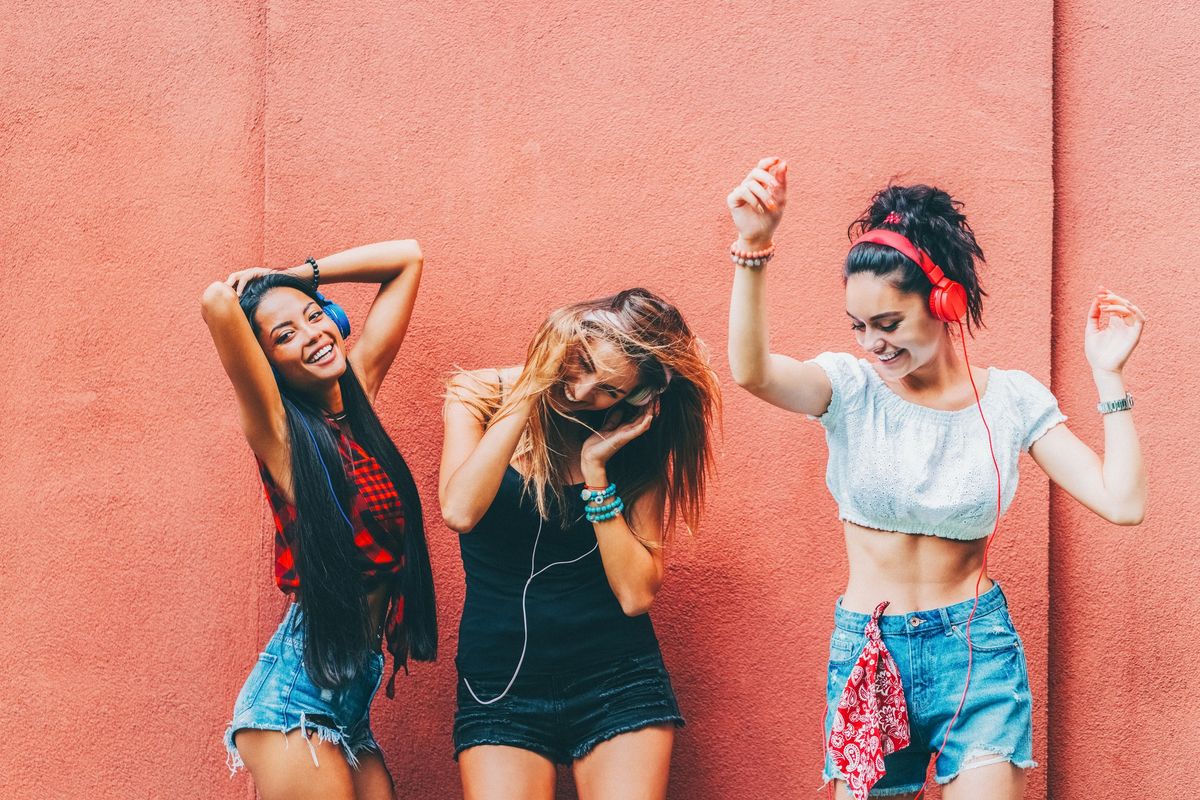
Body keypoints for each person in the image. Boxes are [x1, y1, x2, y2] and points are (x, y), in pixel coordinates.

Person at [725, 158, 1146, 800]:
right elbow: (753, 373)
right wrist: (753, 249)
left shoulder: (1009, 401)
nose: (873, 343)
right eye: (859, 326)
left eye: (889, 324)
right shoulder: (850, 388)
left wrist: (1109, 378)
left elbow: (1122, 503)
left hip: (976, 652)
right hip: (871, 654)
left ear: (944, 301)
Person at [439, 288, 720, 800]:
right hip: (499, 683)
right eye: (584, 363)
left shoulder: (633, 442)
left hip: (616, 678)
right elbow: (460, 510)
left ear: (632, 398)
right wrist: (530, 387)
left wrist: (597, 474)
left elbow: (636, 595)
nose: (582, 390)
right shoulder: (477, 395)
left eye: (609, 389)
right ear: (571, 339)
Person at [201, 240, 438, 800]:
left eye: (314, 316)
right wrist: (259, 285)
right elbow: (215, 301)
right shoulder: (280, 434)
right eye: (285, 336)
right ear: (268, 364)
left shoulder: (359, 404)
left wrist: (293, 275)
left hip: (350, 704)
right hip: (295, 700)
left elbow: (408, 259)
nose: (312, 335)